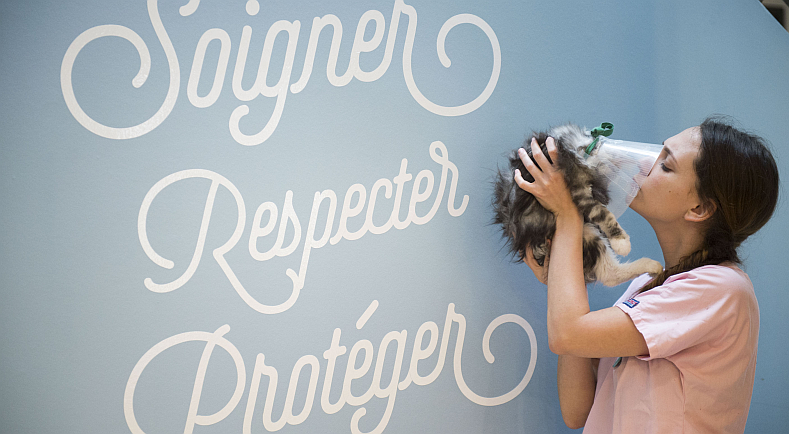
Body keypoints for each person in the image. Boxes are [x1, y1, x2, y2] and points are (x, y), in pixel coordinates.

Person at [512, 117, 780, 433]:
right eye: (658, 152)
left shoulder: (722, 289)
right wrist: (565, 272)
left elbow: (567, 335)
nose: (643, 165)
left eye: (666, 166)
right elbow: (576, 409)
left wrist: (567, 214)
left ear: (699, 208)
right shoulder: (645, 287)